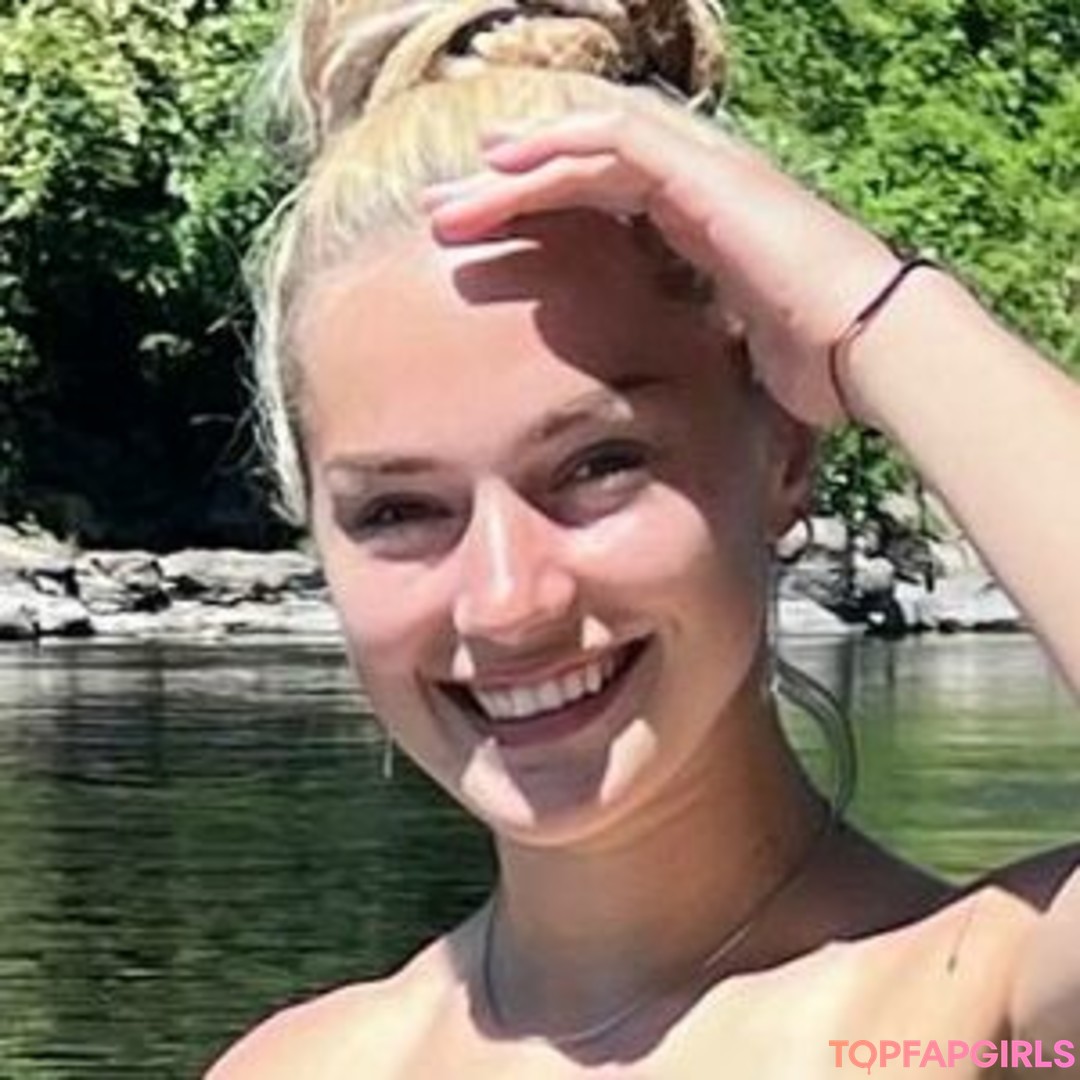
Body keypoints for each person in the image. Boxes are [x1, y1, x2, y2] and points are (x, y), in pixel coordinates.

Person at [207, 0, 1080, 1074]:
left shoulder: (979, 1021)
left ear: (785, 449)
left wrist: (868, 308)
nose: (507, 602)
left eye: (597, 466)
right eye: (399, 511)